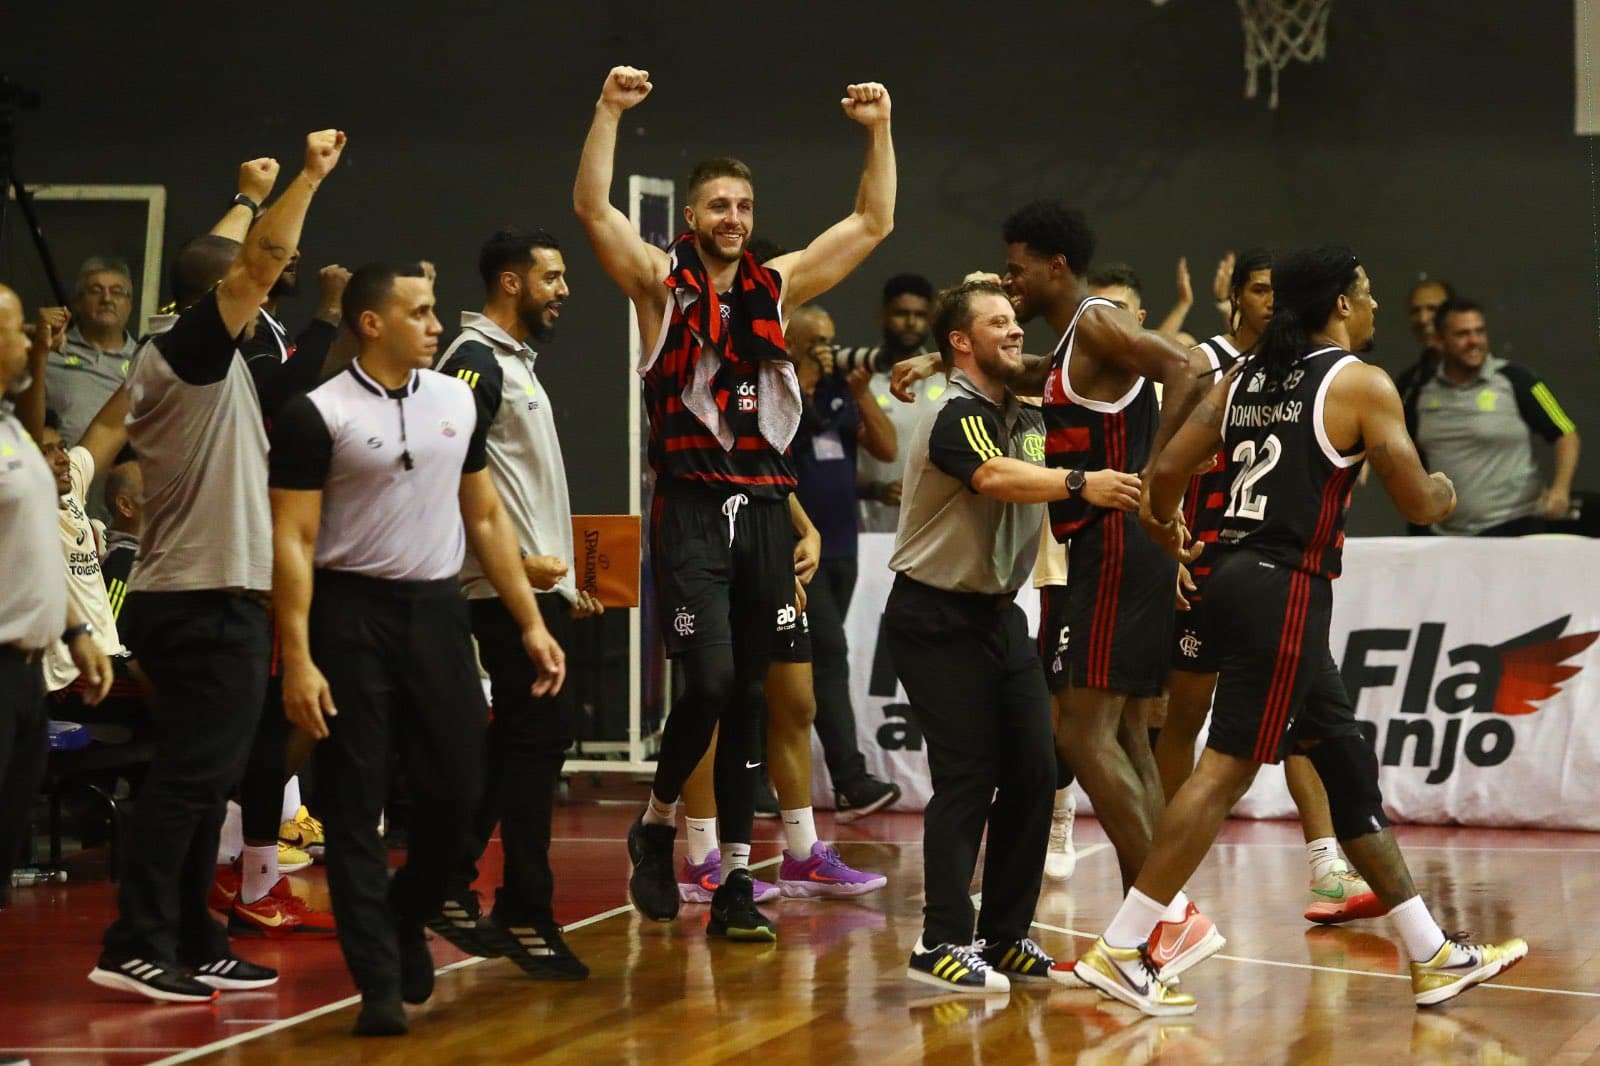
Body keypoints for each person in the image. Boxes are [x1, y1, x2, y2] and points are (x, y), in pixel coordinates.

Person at [1078, 244, 1527, 1016]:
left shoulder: (1239, 378)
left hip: (1222, 573)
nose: (1378, 306)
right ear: (1342, 305)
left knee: (1342, 757)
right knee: (1226, 769)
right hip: (1283, 587)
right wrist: (1449, 491)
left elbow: (1164, 477)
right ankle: (1125, 945)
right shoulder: (1359, 383)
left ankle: (1431, 953)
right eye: (1368, 292)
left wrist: (1165, 530)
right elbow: (1421, 504)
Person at [573, 65, 895, 938]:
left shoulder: (774, 286)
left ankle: (741, 888)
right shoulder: (659, 287)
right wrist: (607, 111)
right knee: (710, 682)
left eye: (743, 208)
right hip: (689, 510)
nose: (733, 220)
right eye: (717, 206)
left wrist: (878, 131)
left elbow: (872, 223)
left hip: (761, 510)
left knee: (753, 690)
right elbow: (594, 211)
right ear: (689, 217)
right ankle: (659, 824)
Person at [898, 202, 1222, 982]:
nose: (1012, 309)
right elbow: (1015, 404)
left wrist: (1158, 489)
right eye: (996, 315)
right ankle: (962, 936)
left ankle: (1161, 920)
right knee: (1070, 752)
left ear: (1052, 266)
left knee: (1074, 742)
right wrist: (930, 363)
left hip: (1104, 550)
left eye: (1015, 282)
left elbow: (1187, 368)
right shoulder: (978, 401)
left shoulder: (1095, 324)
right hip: (948, 606)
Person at [270, 262, 566, 1036]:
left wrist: (530, 620)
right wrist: (297, 655)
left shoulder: (456, 399)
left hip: (436, 611)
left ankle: (409, 911)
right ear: (373, 324)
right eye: (422, 312)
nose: (438, 324)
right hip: (349, 613)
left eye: (434, 311)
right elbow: (294, 540)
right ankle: (375, 980)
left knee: (461, 790)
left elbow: (488, 518)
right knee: (355, 798)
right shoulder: (315, 414)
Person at [89, 130, 346, 1005]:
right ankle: (135, 940)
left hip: (224, 596)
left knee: (212, 786)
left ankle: (193, 937)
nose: (272, 296)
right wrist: (308, 178)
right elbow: (252, 261)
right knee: (189, 780)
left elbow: (224, 258)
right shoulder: (186, 355)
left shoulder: (209, 360)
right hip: (194, 598)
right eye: (256, 292)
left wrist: (245, 192)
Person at [886, 279, 1142, 994]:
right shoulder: (953, 414)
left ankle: (1005, 936)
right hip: (934, 617)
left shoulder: (1028, 410)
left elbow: (1068, 385)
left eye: (1014, 320)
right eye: (995, 322)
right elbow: (995, 477)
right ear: (960, 342)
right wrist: (1078, 482)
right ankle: (939, 942)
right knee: (968, 775)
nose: (1014, 330)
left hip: (1000, 616)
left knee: (1035, 769)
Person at [1153, 249, 1382, 925]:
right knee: (1191, 720)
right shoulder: (1210, 365)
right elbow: (1161, 465)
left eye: (1273, 292)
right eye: (1256, 290)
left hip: (1264, 570)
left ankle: (1328, 865)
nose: (1266, 302)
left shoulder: (1314, 374)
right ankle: (1162, 883)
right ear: (1237, 300)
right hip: (1214, 555)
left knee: (1302, 721)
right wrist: (1163, 539)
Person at [432, 228, 597, 979]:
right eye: (552, 278)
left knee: (526, 747)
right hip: (499, 593)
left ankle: (445, 880)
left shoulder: (512, 365)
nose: (564, 291)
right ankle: (524, 910)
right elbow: (442, 472)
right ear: (509, 283)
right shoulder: (471, 362)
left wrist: (560, 582)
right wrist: (517, 569)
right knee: (533, 748)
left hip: (534, 591)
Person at [675, 499, 888, 925]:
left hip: (771, 548)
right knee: (712, 701)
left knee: (796, 701)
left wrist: (807, 528)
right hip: (710, 543)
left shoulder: (775, 437)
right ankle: (701, 858)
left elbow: (771, 470)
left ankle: (804, 855)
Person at [0, 282, 111, 908]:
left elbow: (35, 551)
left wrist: (74, 630)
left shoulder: (15, 433)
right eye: (16, 332)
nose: (27, 342)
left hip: (25, 671)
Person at [786, 304, 901, 818]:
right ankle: (851, 781)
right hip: (794, 551)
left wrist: (858, 392)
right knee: (829, 655)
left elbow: (885, 444)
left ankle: (769, 779)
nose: (827, 348)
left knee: (804, 662)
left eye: (831, 338)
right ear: (789, 341)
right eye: (816, 340)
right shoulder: (778, 391)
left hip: (843, 548)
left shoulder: (839, 392)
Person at [1411, 299, 1579, 536]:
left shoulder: (1517, 379)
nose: (1474, 341)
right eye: (1462, 334)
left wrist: (1561, 489)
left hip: (1516, 528)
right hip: (1447, 536)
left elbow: (1566, 433)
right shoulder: (1420, 391)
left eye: (1479, 331)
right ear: (1440, 340)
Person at [832, 274, 934, 532]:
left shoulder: (946, 378)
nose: (911, 323)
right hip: (869, 523)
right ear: (883, 314)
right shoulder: (858, 376)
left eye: (920, 315)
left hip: (933, 521)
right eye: (901, 313)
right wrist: (871, 491)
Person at [46, 258, 139, 447]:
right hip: (59, 471)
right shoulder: (48, 352)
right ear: (78, 303)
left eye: (117, 293)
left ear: (129, 306)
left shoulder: (145, 362)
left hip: (126, 472)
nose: (107, 299)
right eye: (95, 291)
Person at [1391, 279, 1454, 428]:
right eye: (1416, 311)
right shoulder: (1407, 384)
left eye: (1432, 309)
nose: (1423, 319)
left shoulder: (1496, 377)